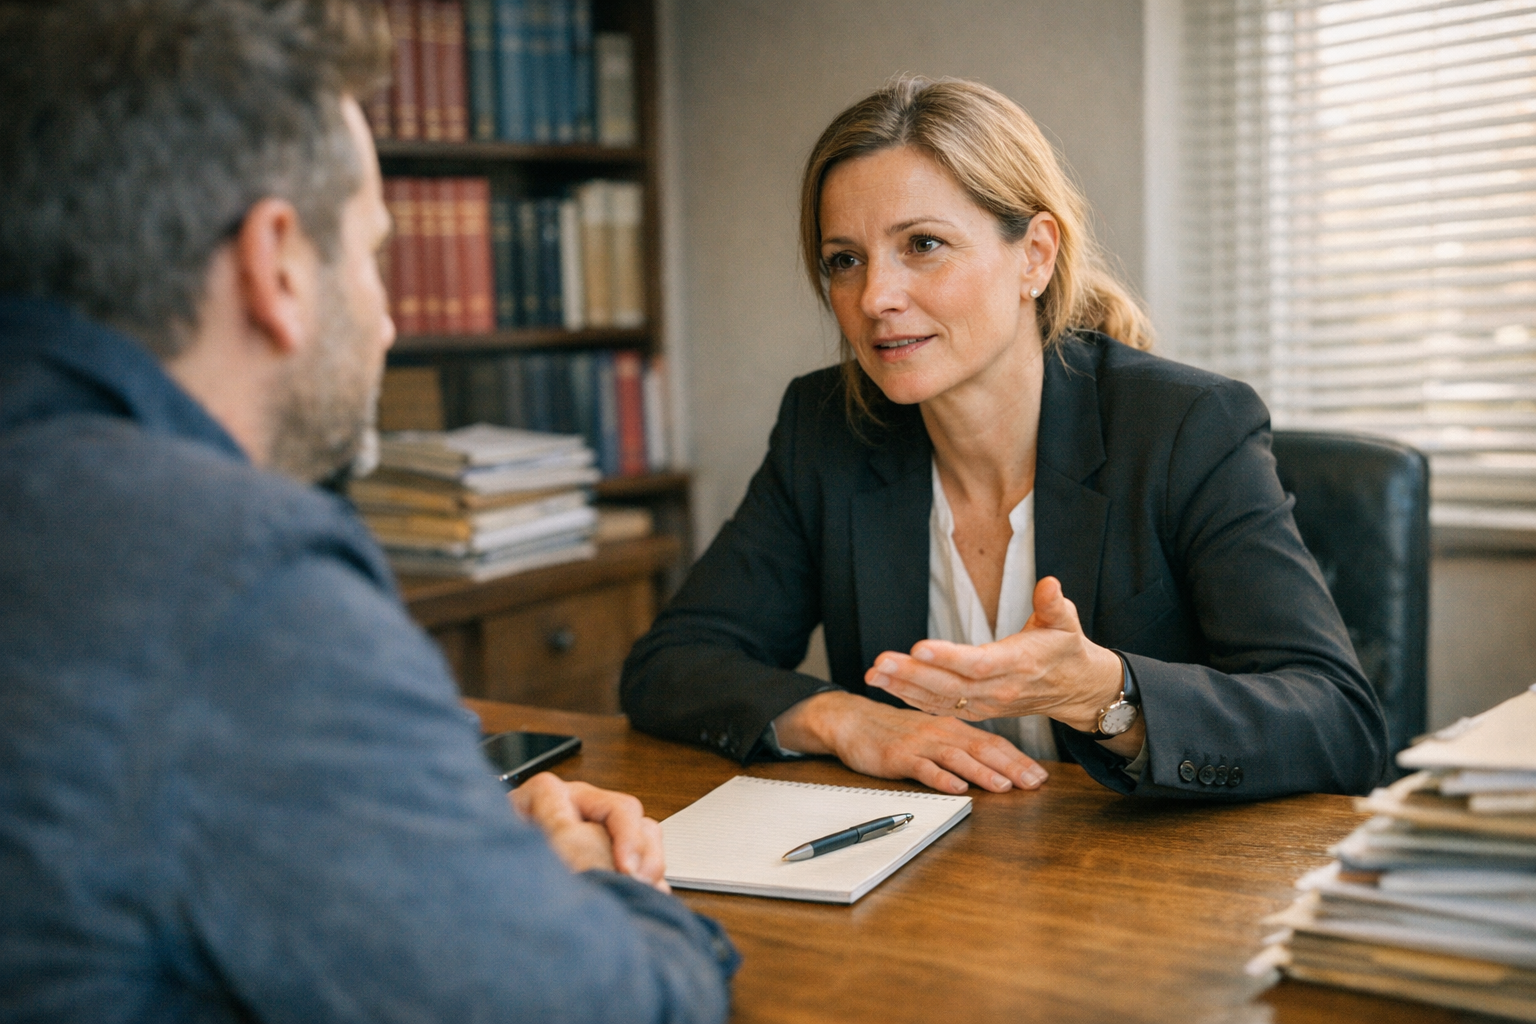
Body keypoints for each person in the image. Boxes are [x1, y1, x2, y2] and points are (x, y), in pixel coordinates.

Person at [0, 0, 735, 1019]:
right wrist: (594, 882)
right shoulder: (238, 577)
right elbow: (609, 1005)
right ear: (277, 263)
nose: (389, 320)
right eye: (372, 254)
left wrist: (444, 829)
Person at [621, 77, 1388, 802]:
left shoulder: (1186, 427)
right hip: (933, 878)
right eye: (844, 261)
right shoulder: (827, 430)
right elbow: (671, 665)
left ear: (1035, 255)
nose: (875, 298)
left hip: (1150, 883)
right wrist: (844, 719)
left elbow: (1339, 725)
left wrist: (1105, 696)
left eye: (923, 244)